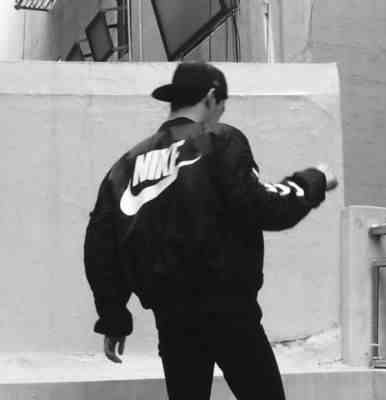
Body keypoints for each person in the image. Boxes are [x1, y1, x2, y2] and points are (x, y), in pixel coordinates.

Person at [84, 62, 337, 400]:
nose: (221, 112)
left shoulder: (127, 165)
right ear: (211, 97)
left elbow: (100, 246)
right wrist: (313, 180)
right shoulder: (218, 139)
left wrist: (114, 317)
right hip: (230, 311)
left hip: (172, 318)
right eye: (222, 105)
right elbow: (263, 206)